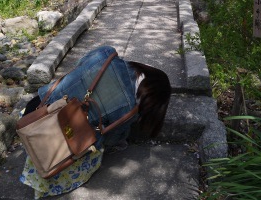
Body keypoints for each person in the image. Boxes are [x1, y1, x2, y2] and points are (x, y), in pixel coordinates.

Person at [20, 45, 171, 199]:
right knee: (94, 145)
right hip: (55, 148)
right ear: (151, 101)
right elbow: (110, 139)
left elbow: (79, 66)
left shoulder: (107, 53)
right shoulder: (129, 110)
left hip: (35, 112)